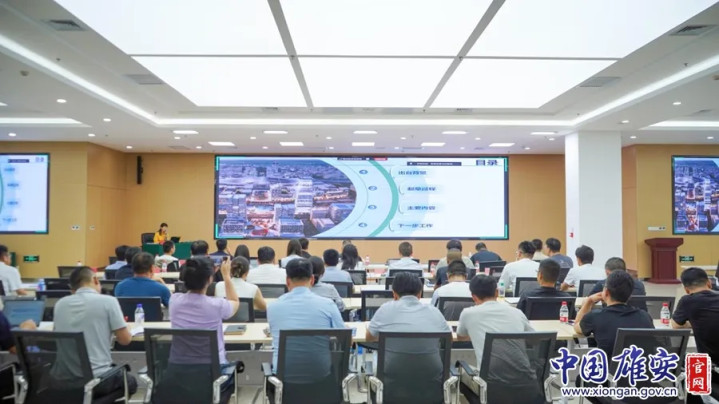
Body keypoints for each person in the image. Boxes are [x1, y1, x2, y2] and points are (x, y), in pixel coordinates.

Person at [53, 267, 138, 397]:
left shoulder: (60, 304)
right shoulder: (108, 301)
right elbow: (125, 340)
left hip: (64, 380)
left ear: (72, 287)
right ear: (95, 280)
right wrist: (126, 328)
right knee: (130, 382)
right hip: (97, 380)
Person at [456, 275, 536, 404]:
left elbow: (460, 337)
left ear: (474, 297)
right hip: (526, 383)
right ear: (497, 292)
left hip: (491, 387)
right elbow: (533, 339)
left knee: (459, 371)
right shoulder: (516, 312)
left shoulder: (468, 314)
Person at [169, 257, 240, 398]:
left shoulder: (174, 301)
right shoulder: (217, 305)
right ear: (209, 279)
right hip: (213, 375)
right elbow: (234, 301)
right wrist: (226, 277)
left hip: (178, 374)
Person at [267, 258, 345, 370]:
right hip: (321, 373)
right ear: (312, 279)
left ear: (287, 281)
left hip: (283, 373)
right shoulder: (328, 304)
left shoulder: (272, 307)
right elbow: (344, 338)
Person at [574, 270, 654, 356]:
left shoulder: (595, 317)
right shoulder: (644, 316)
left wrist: (589, 301)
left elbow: (577, 326)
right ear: (630, 295)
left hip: (609, 364)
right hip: (639, 363)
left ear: (606, 292)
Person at [367, 272, 450, 340]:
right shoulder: (434, 312)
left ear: (394, 294)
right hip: (429, 356)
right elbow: (448, 339)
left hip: (393, 356)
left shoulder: (385, 310)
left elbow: (369, 337)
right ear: (420, 294)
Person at [672, 267, 719, 362]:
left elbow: (676, 325)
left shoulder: (687, 301)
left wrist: (693, 322)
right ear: (709, 283)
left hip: (710, 362)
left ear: (686, 290)